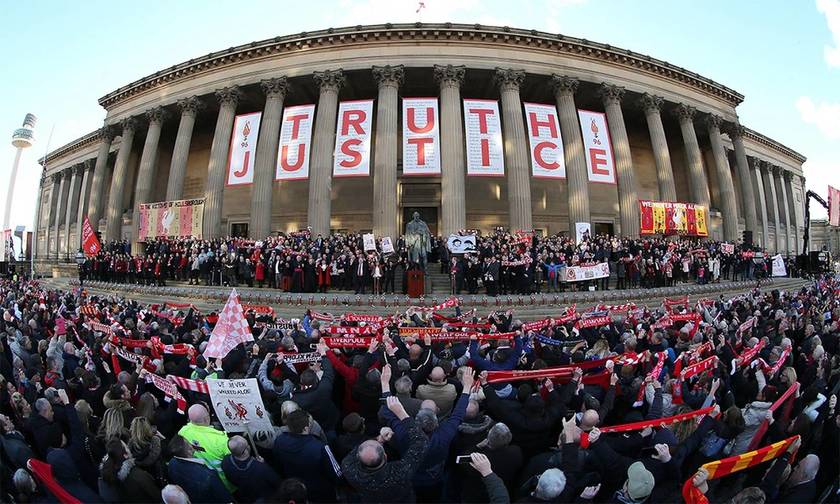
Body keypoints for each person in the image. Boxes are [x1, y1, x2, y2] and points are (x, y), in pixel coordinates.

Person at [342, 396, 429, 502]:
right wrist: (401, 413)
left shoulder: (349, 469)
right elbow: (421, 442)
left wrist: (379, 439)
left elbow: (358, 450)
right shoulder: (399, 473)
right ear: (385, 456)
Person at [272, 409, 339, 502]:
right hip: (321, 492)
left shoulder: (279, 441)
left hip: (295, 489)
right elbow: (335, 473)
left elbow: (278, 465)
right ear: (306, 428)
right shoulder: (321, 447)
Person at [177, 404, 232, 490]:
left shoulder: (183, 432)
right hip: (226, 482)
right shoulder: (220, 440)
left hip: (204, 480)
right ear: (206, 418)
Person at [167, 435, 233, 504]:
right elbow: (225, 497)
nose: (191, 443)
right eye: (189, 443)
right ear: (189, 451)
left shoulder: (172, 464)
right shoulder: (209, 476)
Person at [222, 435, 281, 503]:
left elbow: (230, 479)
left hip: (247, 496)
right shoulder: (261, 468)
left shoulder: (225, 461)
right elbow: (277, 482)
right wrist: (263, 464)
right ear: (245, 450)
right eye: (247, 444)